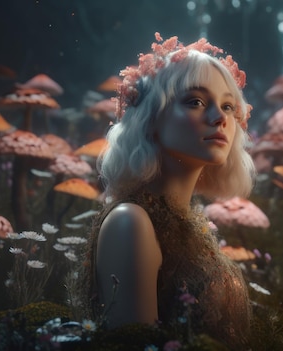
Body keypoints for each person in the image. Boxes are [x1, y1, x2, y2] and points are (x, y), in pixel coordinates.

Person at [83, 33, 256, 348]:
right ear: (151, 118)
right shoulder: (130, 223)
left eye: (229, 106)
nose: (220, 118)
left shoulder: (187, 223)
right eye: (196, 101)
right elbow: (135, 344)